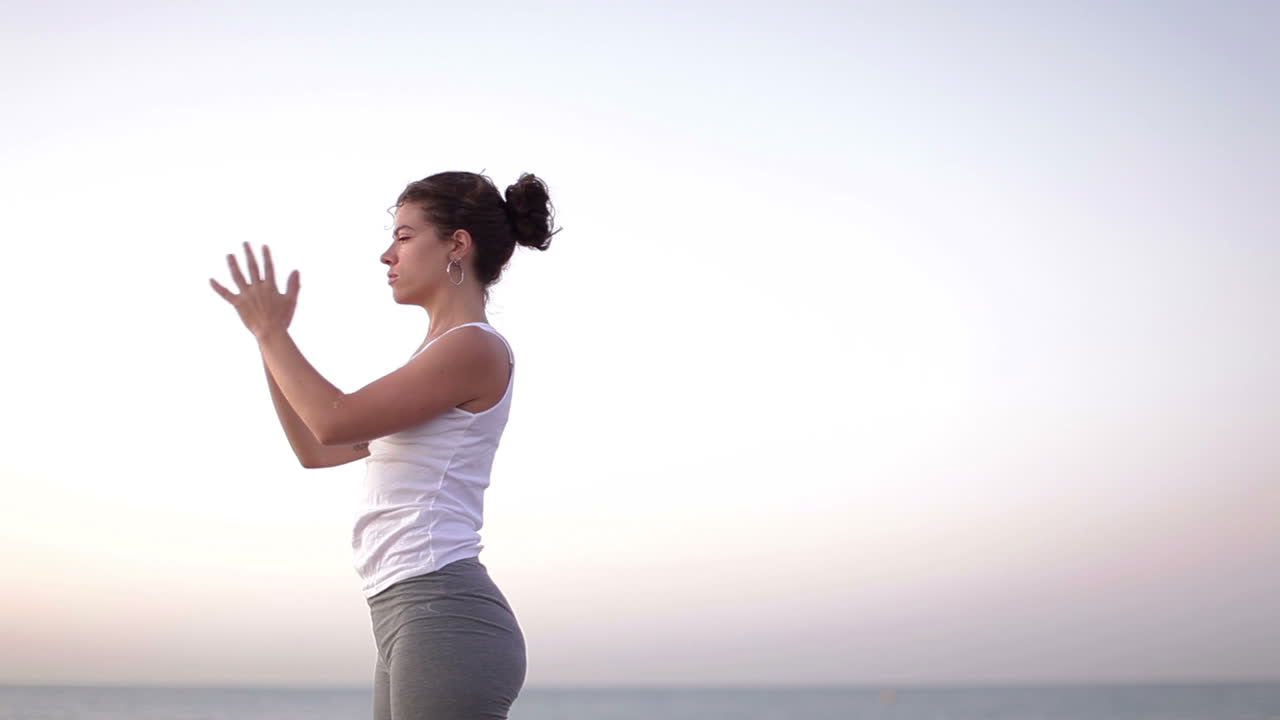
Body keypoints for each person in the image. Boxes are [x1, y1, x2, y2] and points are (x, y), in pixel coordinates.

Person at [210, 171, 557, 720]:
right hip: (406, 612)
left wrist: (275, 333)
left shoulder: (473, 348)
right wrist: (266, 339)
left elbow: (330, 420)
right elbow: (315, 447)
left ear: (456, 244)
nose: (386, 254)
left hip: (444, 611)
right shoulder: (436, 357)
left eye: (403, 236)